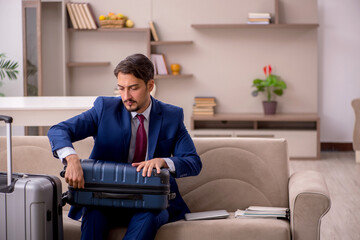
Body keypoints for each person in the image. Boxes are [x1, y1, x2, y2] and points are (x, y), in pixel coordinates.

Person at [47, 53, 202, 240]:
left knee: (148, 217)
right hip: (103, 199)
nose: (126, 96)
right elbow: (59, 130)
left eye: (133, 88)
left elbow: (193, 162)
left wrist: (163, 161)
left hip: (150, 203)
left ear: (150, 86)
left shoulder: (172, 116)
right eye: (121, 88)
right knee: (93, 217)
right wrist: (71, 158)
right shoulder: (104, 108)